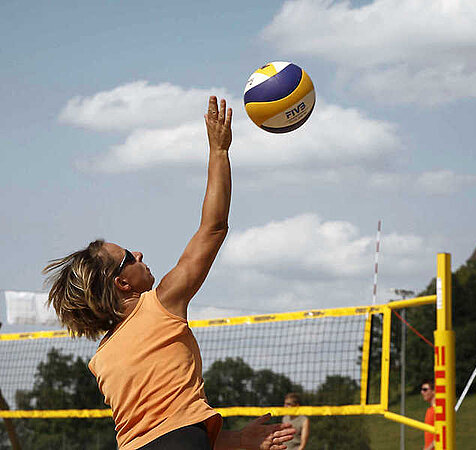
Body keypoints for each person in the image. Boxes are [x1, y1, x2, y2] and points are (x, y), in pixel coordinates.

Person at [43, 96, 294, 450]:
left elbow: (166, 430)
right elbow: (213, 228)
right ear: (123, 282)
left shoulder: (102, 359)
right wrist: (219, 151)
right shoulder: (160, 304)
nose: (140, 252)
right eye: (129, 256)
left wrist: (241, 440)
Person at [420, 379, 435, 450]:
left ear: (433, 391)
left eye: (425, 389)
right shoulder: (429, 410)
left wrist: (428, 448)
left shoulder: (438, 410)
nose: (422, 392)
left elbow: (442, 434)